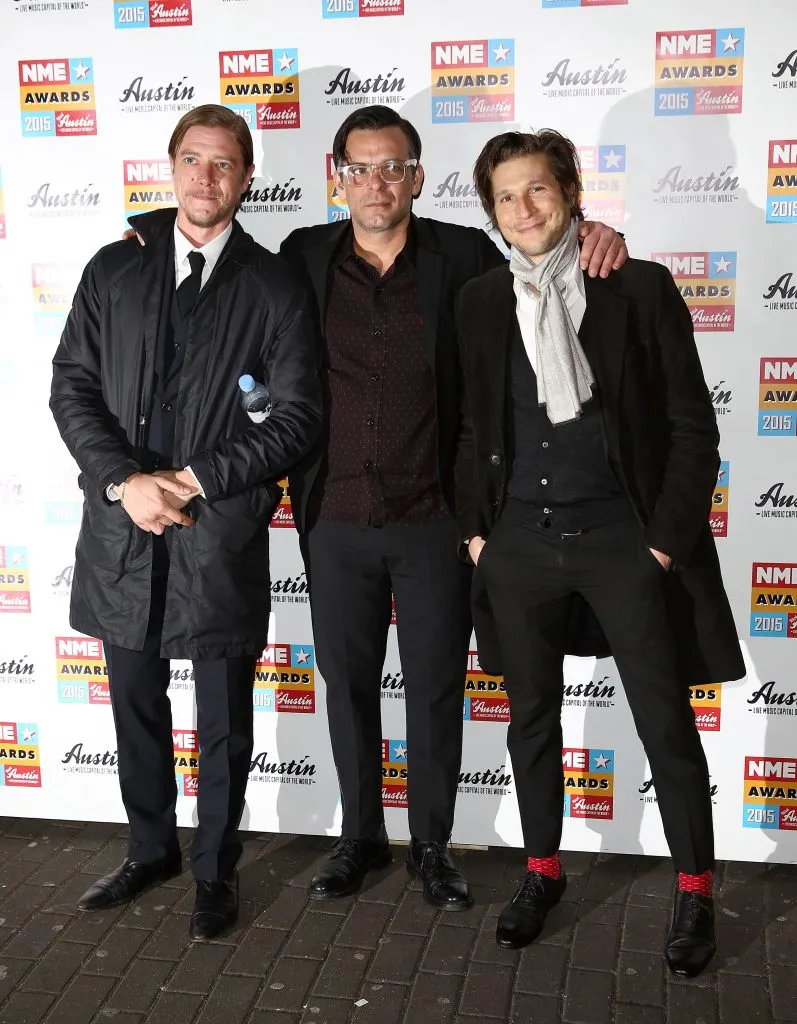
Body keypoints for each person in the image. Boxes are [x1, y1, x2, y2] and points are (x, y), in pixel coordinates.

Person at [278, 105, 627, 910]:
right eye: (359, 168)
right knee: (348, 683)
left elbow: (548, 251)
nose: (376, 183)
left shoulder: (464, 253)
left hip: (435, 517)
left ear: (417, 176)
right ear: (337, 177)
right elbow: (220, 279)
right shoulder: (302, 256)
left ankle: (431, 845)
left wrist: (599, 230)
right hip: (333, 514)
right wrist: (150, 240)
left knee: (435, 685)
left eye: (392, 167)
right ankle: (358, 837)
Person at [454, 129, 744, 973]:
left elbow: (693, 430)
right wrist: (479, 535)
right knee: (531, 719)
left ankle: (694, 890)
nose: (523, 208)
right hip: (518, 547)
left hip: (626, 543)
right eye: (506, 196)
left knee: (664, 722)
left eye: (537, 189)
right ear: (492, 212)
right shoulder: (478, 300)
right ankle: (541, 872)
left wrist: (660, 545)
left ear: (572, 192)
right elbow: (471, 428)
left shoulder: (637, 287)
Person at [50, 104, 321, 940]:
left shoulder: (273, 284)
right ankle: (148, 848)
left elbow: (295, 419)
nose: (207, 178)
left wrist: (198, 478)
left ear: (247, 178)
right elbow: (72, 389)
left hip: (217, 534)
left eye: (225, 164)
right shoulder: (112, 270)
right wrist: (122, 480)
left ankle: (213, 867)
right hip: (122, 530)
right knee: (134, 701)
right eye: (193, 161)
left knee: (223, 720)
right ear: (170, 168)